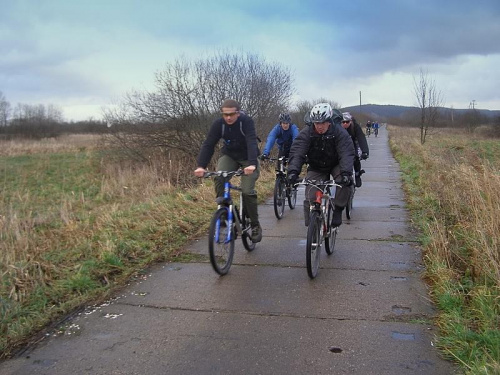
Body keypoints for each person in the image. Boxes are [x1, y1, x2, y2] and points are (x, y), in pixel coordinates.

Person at [194, 99, 262, 243]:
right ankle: (224, 211)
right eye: (225, 115)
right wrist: (201, 165)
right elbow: (209, 144)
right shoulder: (219, 125)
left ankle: (255, 225)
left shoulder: (246, 122)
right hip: (230, 155)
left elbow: (251, 141)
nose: (228, 117)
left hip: (248, 158)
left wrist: (251, 164)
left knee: (247, 190)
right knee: (219, 177)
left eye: (231, 114)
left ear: (238, 113)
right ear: (222, 114)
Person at [287, 103, 355, 228]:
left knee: (345, 184)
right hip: (317, 166)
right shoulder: (307, 132)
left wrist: (346, 172)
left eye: (323, 123)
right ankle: (312, 227)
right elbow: (297, 152)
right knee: (310, 197)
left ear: (329, 121)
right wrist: (293, 171)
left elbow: (346, 152)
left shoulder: (339, 132)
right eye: (316, 123)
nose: (319, 126)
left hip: (336, 164)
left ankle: (338, 210)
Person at [341, 112, 369, 187]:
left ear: (351, 121)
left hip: (353, 144)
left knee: (356, 158)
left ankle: (357, 174)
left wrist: (365, 152)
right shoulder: (337, 128)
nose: (345, 124)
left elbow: (361, 138)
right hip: (341, 146)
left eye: (347, 122)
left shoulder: (355, 127)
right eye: (343, 122)